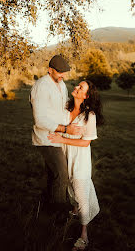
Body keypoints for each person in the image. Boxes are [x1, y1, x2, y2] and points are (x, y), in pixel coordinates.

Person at [48, 80, 104, 250]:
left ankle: (84, 235)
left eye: (81, 88)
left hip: (80, 160)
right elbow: (54, 125)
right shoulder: (65, 107)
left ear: (86, 96)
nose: (76, 88)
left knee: (81, 194)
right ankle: (74, 211)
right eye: (77, 85)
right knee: (69, 187)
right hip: (64, 156)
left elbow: (85, 143)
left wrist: (62, 138)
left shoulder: (90, 116)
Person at [29, 55, 84, 206]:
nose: (63, 75)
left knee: (52, 175)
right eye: (60, 72)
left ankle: (46, 207)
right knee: (62, 175)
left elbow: (63, 108)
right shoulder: (41, 87)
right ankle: (58, 213)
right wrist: (66, 129)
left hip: (58, 137)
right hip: (46, 138)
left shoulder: (62, 85)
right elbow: (39, 120)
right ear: (50, 70)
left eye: (65, 72)